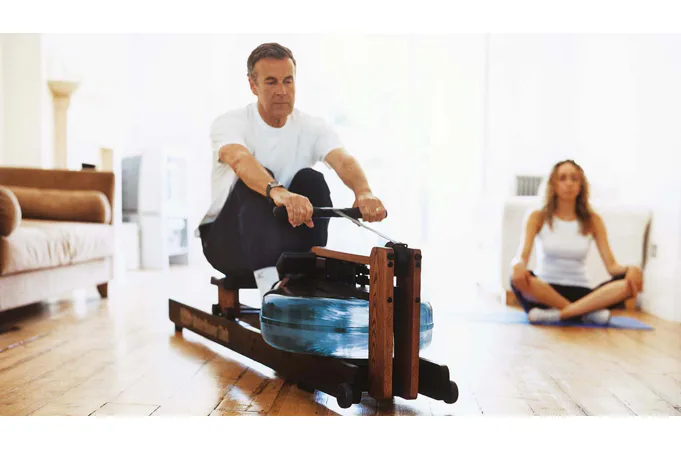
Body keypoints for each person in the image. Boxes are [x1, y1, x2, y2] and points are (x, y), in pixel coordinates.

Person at [197, 42, 387, 298]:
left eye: (288, 81)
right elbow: (240, 159)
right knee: (253, 183)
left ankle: (306, 277)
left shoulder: (311, 126)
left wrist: (363, 192)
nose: (282, 91)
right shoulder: (230, 123)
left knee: (312, 180)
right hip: (228, 244)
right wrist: (279, 192)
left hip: (280, 241)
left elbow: (343, 160)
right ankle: (271, 295)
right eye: (271, 82)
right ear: (253, 85)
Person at [510, 159, 644, 325]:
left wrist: (632, 268)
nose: (569, 183)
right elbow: (522, 256)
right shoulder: (537, 217)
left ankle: (560, 314)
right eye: (563, 178)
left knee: (627, 284)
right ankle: (585, 313)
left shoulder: (593, 220)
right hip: (545, 291)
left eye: (574, 179)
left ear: (581, 185)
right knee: (516, 277)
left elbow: (612, 267)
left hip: (581, 292)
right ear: (553, 184)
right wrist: (517, 264)